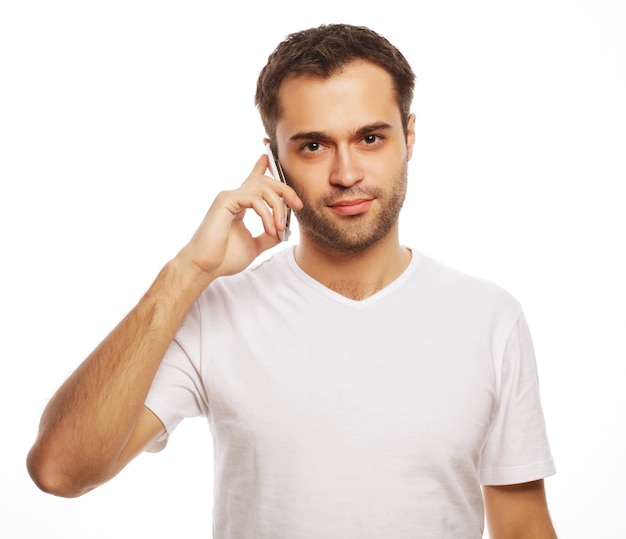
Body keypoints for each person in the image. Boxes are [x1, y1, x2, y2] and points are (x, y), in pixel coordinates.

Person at [27, 24, 557, 538]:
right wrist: (189, 271)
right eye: (312, 146)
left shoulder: (488, 317)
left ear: (410, 136)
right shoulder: (216, 312)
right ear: (274, 159)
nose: (346, 172)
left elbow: (523, 528)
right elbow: (59, 471)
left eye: (370, 137)